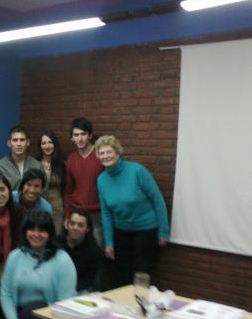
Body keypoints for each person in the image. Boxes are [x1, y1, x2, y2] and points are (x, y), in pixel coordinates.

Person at [0, 211, 77, 319]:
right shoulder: (15, 256)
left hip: (49, 317)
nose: (36, 234)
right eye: (31, 229)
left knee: (31, 312)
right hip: (20, 318)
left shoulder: (63, 260)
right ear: (25, 231)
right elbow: (6, 294)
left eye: (42, 230)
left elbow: (65, 304)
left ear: (49, 234)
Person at [95, 135, 169, 287]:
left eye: (109, 152)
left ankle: (139, 302)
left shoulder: (137, 171)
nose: (105, 156)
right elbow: (106, 213)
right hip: (121, 231)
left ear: (118, 153)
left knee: (141, 274)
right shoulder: (101, 180)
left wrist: (164, 231)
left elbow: (157, 199)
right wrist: (108, 242)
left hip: (146, 231)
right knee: (121, 275)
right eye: (101, 153)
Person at [65, 117, 104, 246]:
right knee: (77, 249)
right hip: (77, 213)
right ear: (72, 138)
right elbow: (68, 191)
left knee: (97, 250)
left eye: (83, 134)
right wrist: (68, 215)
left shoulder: (101, 156)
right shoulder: (71, 159)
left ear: (90, 135)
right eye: (76, 135)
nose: (80, 138)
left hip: (98, 214)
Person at [59, 209, 103, 292]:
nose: (75, 228)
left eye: (80, 225)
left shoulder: (94, 251)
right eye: (72, 223)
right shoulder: (57, 243)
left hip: (79, 289)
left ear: (87, 229)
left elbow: (89, 280)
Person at [35, 130, 67, 233]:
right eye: (44, 143)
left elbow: (66, 189)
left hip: (57, 209)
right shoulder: (35, 164)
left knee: (56, 237)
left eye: (50, 142)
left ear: (55, 144)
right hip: (39, 208)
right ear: (40, 146)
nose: (47, 146)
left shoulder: (62, 164)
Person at [0, 125, 41, 191]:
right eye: (15, 140)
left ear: (28, 142)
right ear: (9, 143)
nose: (19, 144)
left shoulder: (37, 165)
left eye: (22, 140)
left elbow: (43, 191)